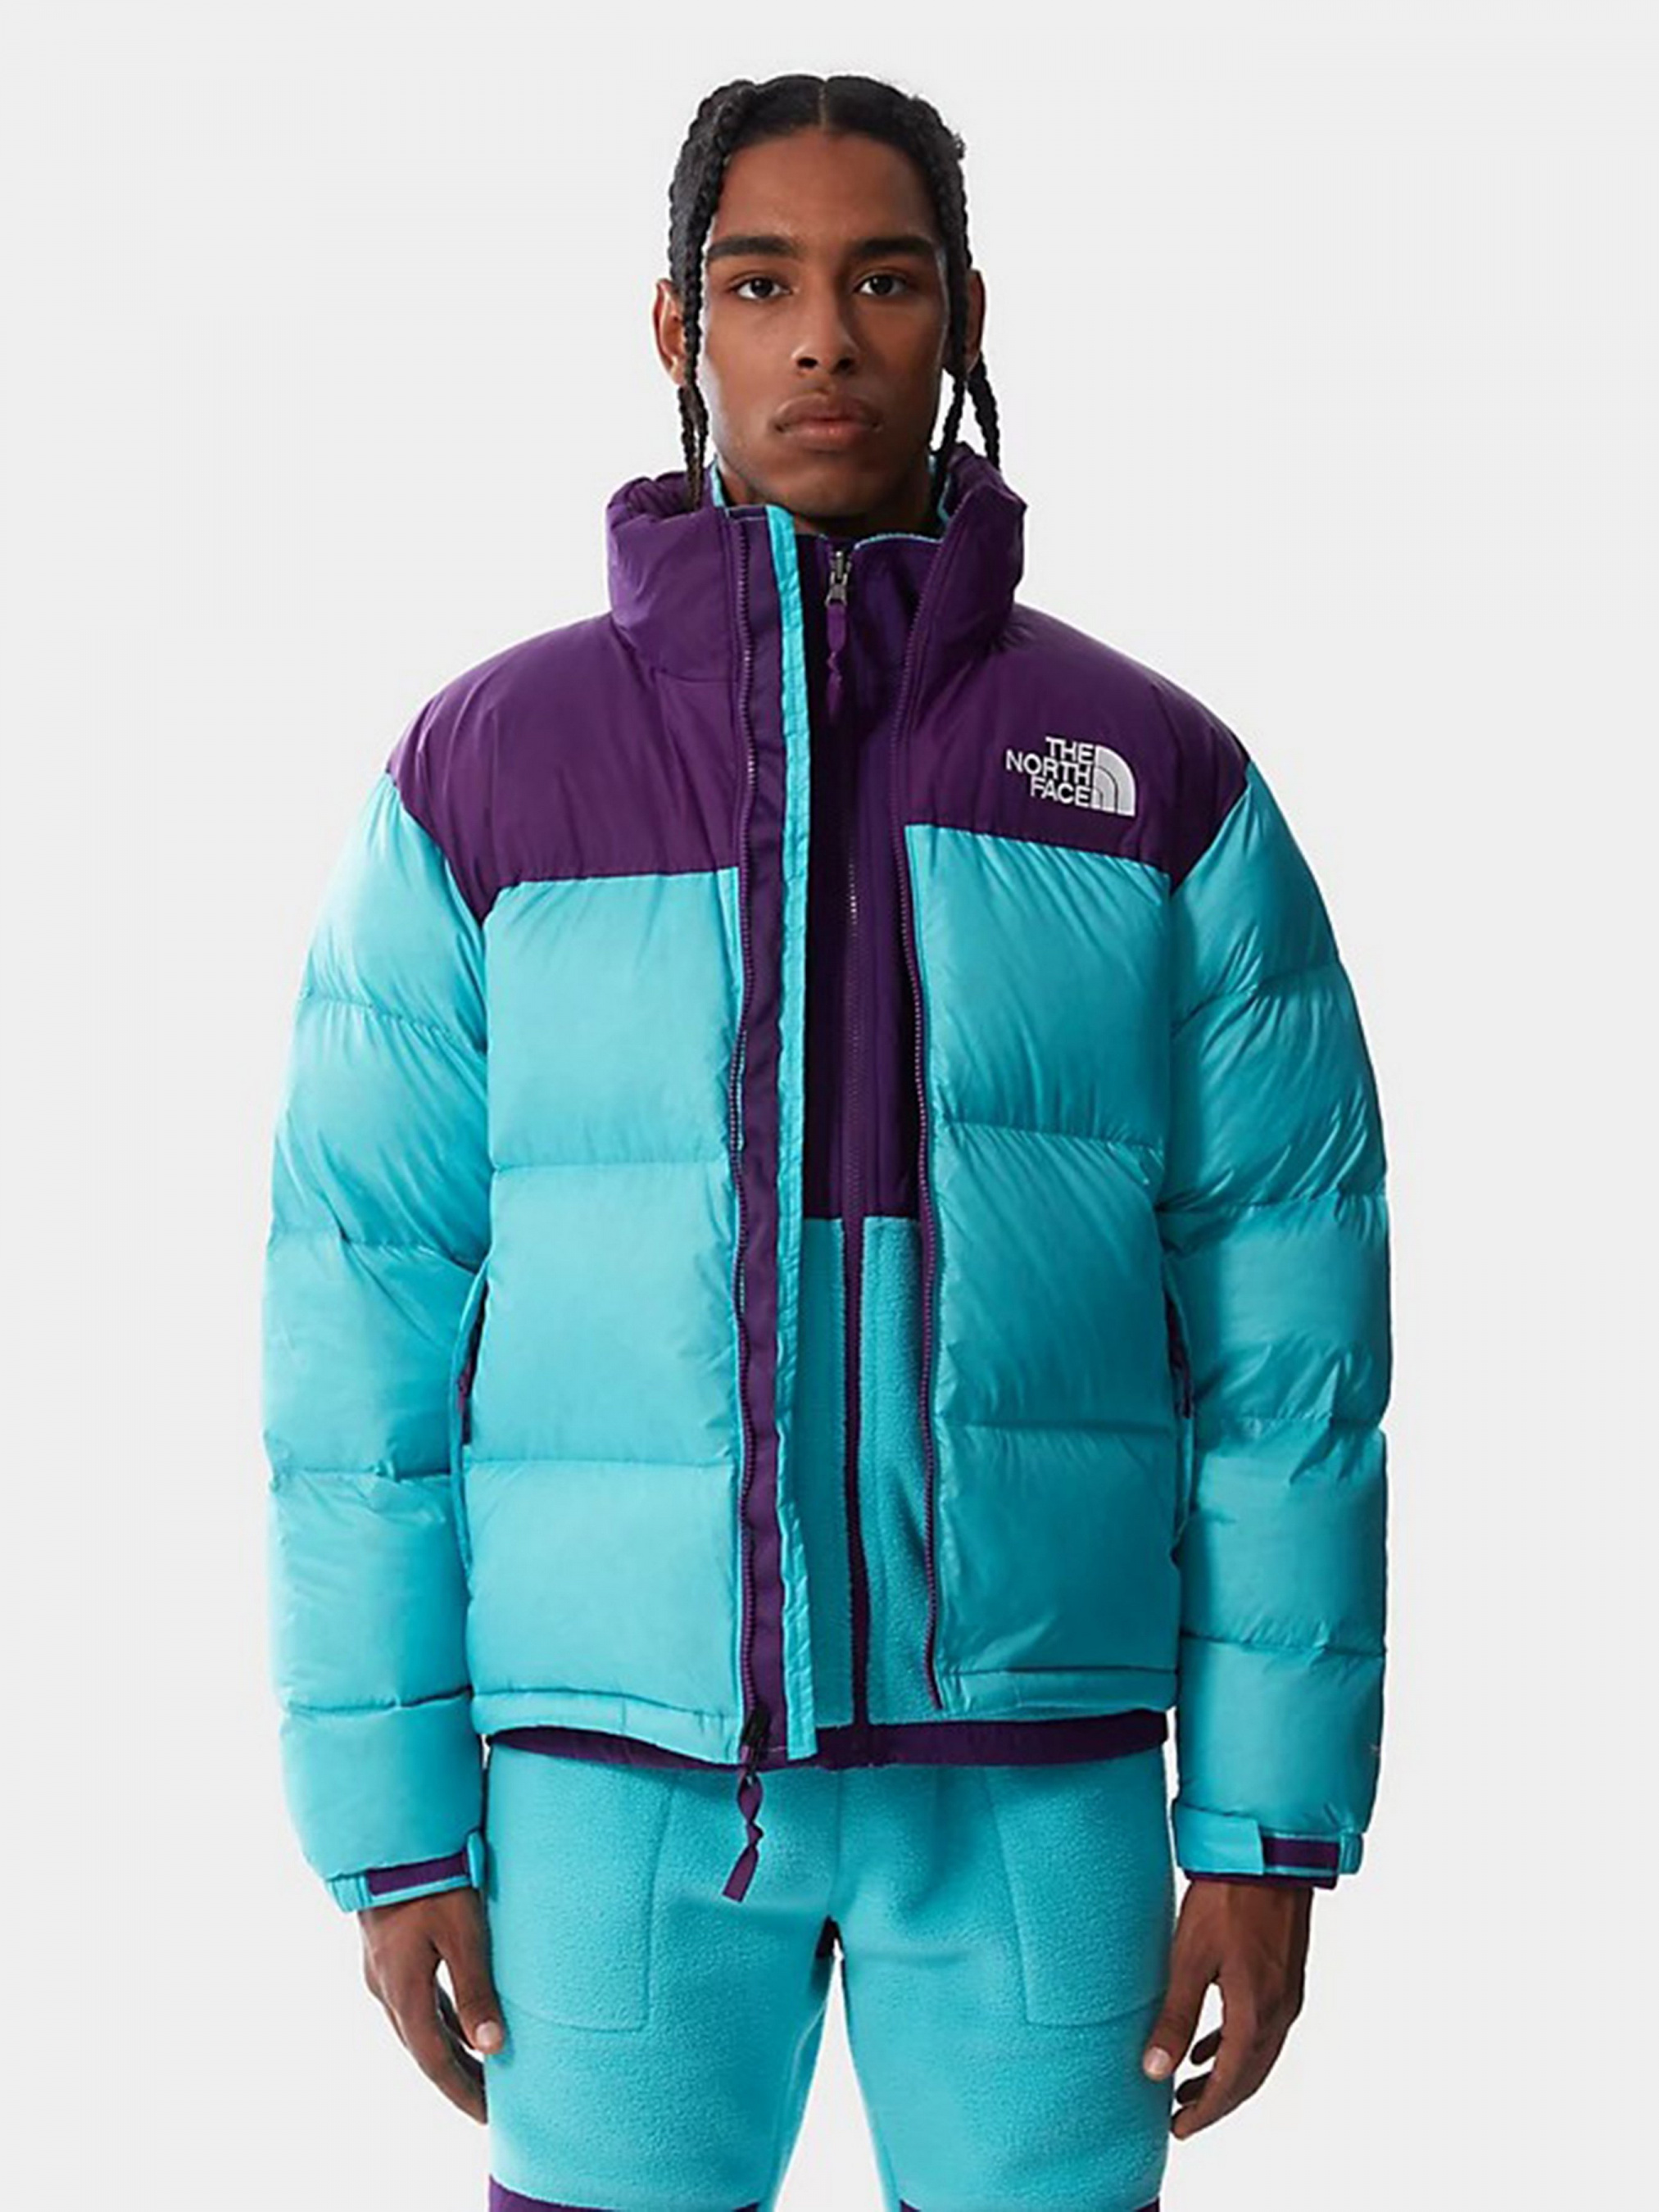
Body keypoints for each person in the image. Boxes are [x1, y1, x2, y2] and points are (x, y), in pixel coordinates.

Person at [261, 70, 1392, 2212]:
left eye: (882, 281)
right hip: (610, 1784)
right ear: (675, 326)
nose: (822, 342)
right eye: (759, 282)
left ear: (962, 318)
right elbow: (357, 1335)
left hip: (1039, 1771)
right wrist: (392, 1829)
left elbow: (1292, 1355)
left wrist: (1263, 1832)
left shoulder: (1155, 781)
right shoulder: (483, 776)